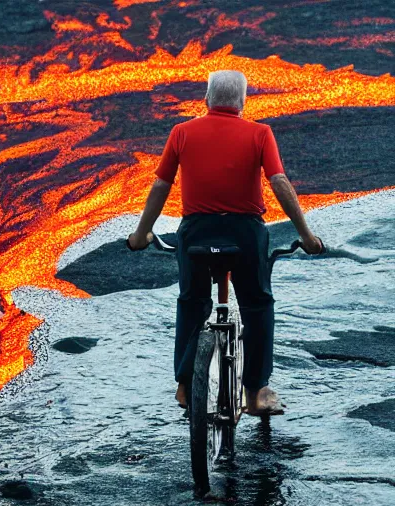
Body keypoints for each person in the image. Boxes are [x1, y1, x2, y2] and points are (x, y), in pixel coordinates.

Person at [127, 70, 322, 415]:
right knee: (257, 304)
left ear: (206, 100)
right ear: (243, 103)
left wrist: (142, 233)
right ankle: (256, 393)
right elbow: (278, 182)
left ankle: (185, 387)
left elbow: (161, 186)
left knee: (192, 302)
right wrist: (306, 236)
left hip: (196, 234)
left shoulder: (181, 132)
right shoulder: (260, 133)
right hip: (244, 234)